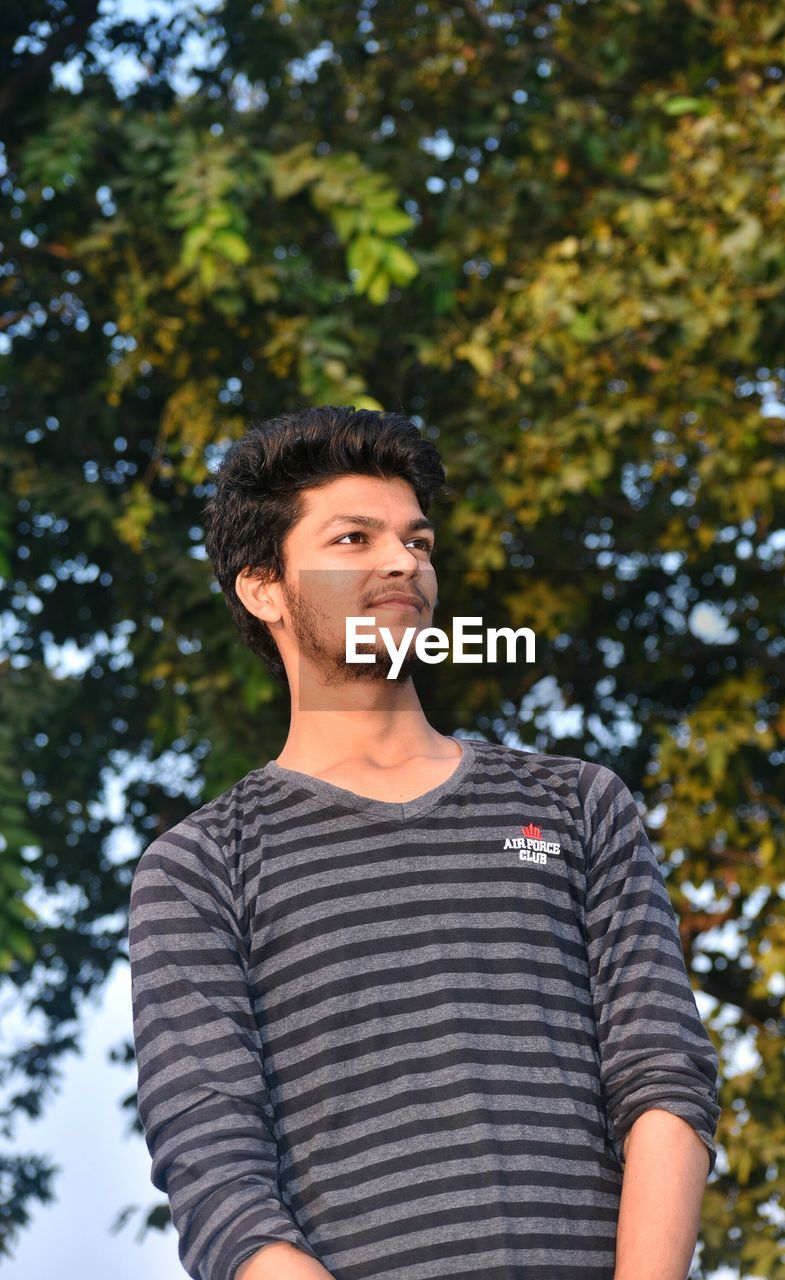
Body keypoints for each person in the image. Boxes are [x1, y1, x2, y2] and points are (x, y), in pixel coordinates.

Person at [128, 405, 720, 1280]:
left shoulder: (576, 803)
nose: (402, 562)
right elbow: (218, 1180)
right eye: (354, 539)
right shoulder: (201, 867)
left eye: (418, 540)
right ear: (263, 587)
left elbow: (663, 1075)